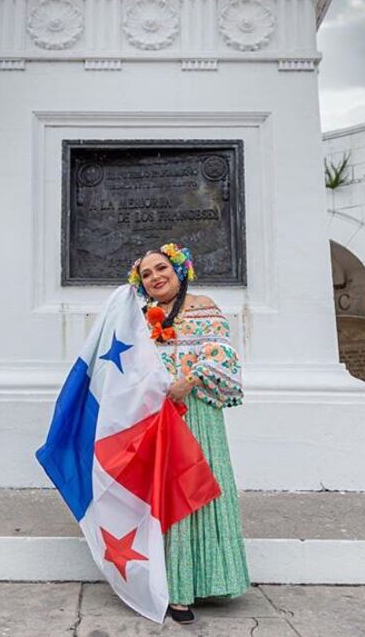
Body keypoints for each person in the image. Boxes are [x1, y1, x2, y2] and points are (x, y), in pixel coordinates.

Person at [126, 242, 250, 625]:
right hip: (156, 416)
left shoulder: (203, 306)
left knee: (197, 491)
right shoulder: (139, 316)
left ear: (179, 269)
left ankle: (202, 580)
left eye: (161, 268)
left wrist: (190, 380)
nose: (155, 277)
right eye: (146, 274)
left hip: (196, 412)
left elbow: (223, 354)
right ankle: (171, 588)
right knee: (165, 495)